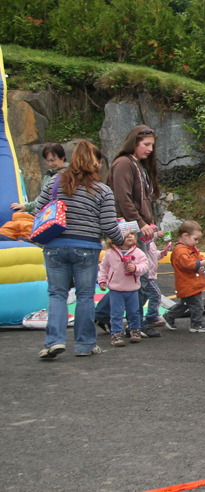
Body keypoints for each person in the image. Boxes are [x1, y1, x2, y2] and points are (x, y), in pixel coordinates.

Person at [35, 140, 125, 359]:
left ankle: (54, 342)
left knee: (57, 294)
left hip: (55, 246)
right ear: (97, 163)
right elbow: (107, 225)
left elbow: (38, 209)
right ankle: (85, 345)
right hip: (86, 247)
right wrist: (120, 239)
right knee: (85, 296)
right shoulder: (102, 190)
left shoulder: (55, 183)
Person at [98, 125, 163, 338]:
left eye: (152, 145)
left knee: (135, 274)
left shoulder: (138, 165)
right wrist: (140, 222)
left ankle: (110, 315)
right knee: (137, 275)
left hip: (139, 226)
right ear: (134, 143)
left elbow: (141, 199)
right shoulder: (124, 163)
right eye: (146, 144)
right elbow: (122, 197)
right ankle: (131, 321)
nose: (150, 149)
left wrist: (149, 223)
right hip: (128, 228)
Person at [98, 230, 149, 348]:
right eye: (126, 234)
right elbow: (104, 267)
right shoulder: (110, 253)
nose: (130, 236)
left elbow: (145, 266)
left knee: (134, 312)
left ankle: (135, 329)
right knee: (116, 313)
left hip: (132, 289)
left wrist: (136, 268)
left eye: (132, 234)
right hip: (116, 290)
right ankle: (116, 334)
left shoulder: (138, 252)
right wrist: (102, 280)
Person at [162, 220, 205, 333]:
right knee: (197, 305)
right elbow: (188, 264)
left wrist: (204, 261)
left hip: (191, 283)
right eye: (195, 239)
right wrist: (201, 263)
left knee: (185, 304)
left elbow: (198, 257)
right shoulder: (180, 251)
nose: (197, 242)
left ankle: (169, 316)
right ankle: (196, 324)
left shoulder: (190, 249)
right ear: (185, 236)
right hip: (188, 284)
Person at [11, 143, 67, 214]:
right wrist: (26, 207)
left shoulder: (71, 174)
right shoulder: (49, 174)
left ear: (62, 157)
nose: (50, 164)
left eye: (52, 160)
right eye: (48, 161)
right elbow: (42, 197)